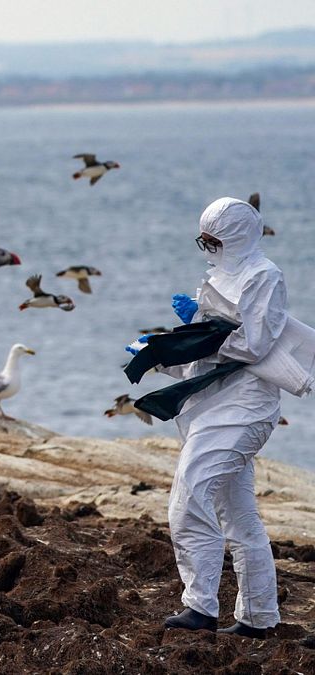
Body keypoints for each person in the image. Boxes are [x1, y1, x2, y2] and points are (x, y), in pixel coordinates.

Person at [158, 197, 284, 638]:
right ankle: (259, 617)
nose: (208, 248)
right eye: (204, 240)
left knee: (189, 498)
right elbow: (208, 357)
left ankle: (200, 607)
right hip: (216, 406)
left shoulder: (264, 277)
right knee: (238, 516)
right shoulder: (219, 277)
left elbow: (253, 346)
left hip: (245, 410)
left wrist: (204, 329)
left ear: (236, 237)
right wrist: (164, 353)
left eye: (214, 240)